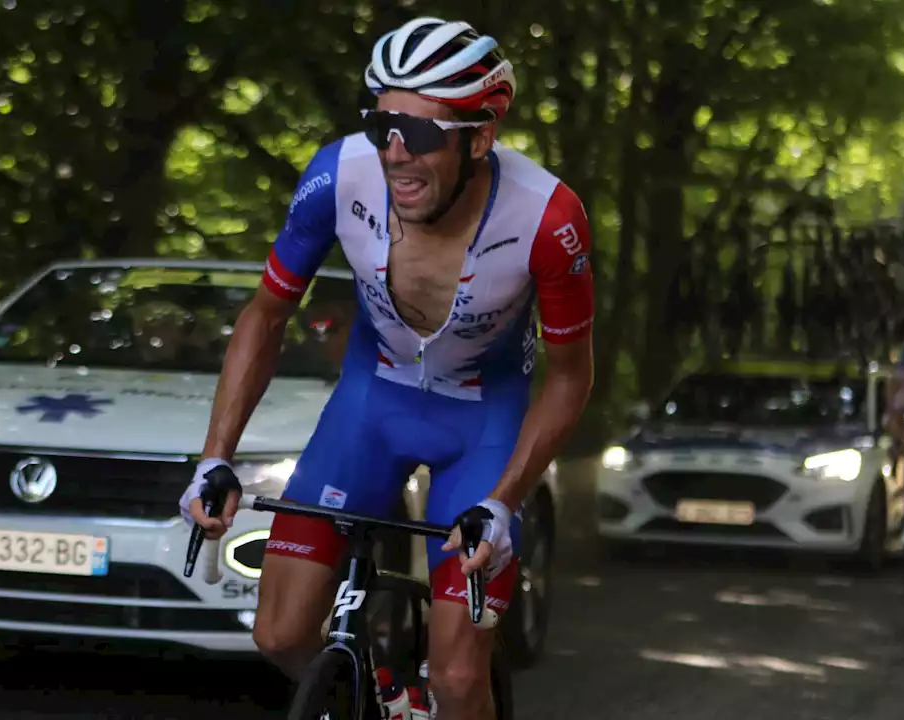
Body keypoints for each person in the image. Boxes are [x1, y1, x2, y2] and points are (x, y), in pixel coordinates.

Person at [179, 16, 595, 720]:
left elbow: (570, 376)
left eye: (425, 134)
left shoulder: (549, 218)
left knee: (462, 683)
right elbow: (265, 315)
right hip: (371, 405)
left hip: (483, 425)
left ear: (480, 137)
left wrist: (504, 500)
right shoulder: (336, 175)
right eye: (383, 126)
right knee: (279, 635)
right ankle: (385, 701)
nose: (397, 154)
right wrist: (214, 458)